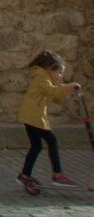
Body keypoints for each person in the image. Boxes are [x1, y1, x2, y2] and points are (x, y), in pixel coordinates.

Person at [16, 49, 81, 194]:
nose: (60, 76)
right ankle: (57, 175)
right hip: (34, 116)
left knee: (36, 146)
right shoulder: (41, 77)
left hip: (31, 116)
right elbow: (52, 92)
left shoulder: (46, 79)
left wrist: (66, 91)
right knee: (52, 141)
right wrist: (67, 88)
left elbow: (56, 97)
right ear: (50, 69)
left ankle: (25, 175)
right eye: (59, 73)